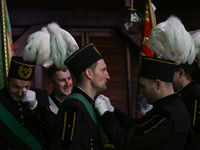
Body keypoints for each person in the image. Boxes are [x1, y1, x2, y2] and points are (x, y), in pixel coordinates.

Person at [94, 56, 190, 150]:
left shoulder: (168, 114)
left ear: (158, 85)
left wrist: (106, 115)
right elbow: (137, 126)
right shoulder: (170, 106)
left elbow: (127, 143)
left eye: (143, 86)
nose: (141, 92)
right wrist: (113, 111)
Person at [50, 43, 110, 150]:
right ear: (89, 73)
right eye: (103, 70)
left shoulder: (90, 102)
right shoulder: (74, 106)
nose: (108, 76)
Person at [0, 56, 54, 150]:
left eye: (26, 87)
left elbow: (52, 131)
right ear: (7, 81)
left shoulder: (40, 96)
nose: (20, 93)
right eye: (15, 86)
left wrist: (36, 107)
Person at [173, 59, 200, 150]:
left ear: (181, 73)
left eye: (171, 72)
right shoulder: (185, 93)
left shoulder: (196, 94)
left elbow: (195, 132)